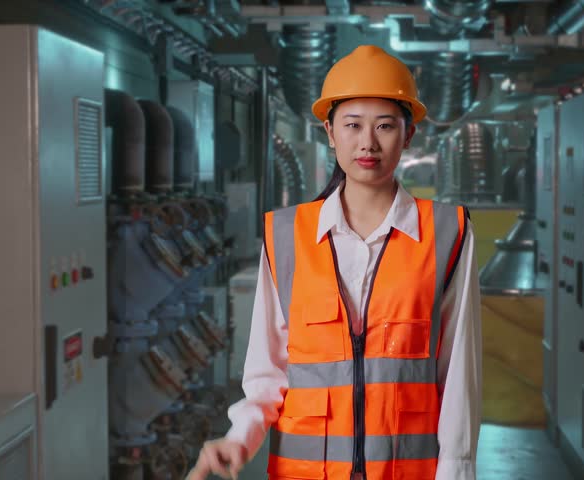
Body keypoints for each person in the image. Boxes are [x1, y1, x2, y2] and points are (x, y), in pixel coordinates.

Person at [186, 45, 482, 480]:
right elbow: (267, 372)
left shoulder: (447, 233)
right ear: (329, 131)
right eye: (352, 125)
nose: (368, 142)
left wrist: (457, 473)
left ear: (409, 134)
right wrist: (239, 438)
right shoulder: (285, 236)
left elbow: (458, 374)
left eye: (384, 126)